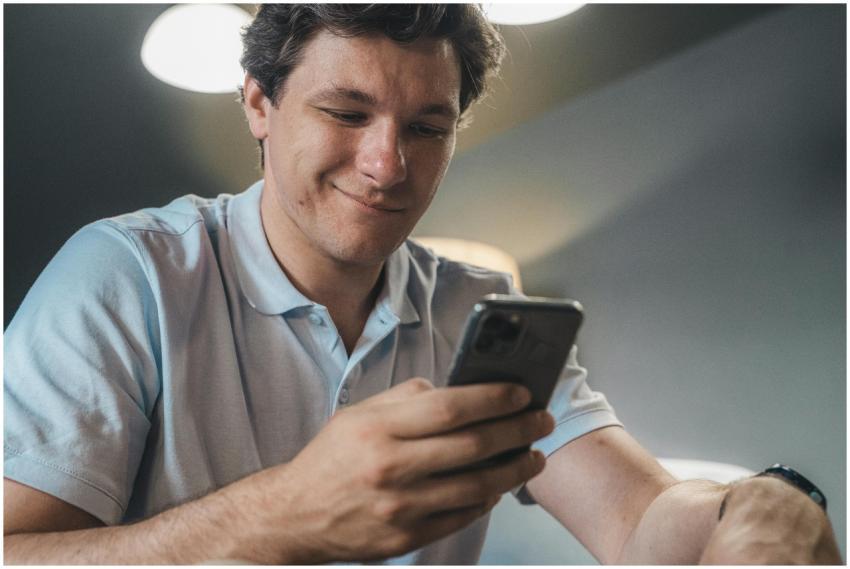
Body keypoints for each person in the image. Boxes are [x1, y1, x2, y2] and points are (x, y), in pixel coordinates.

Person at [4, 4, 841, 565]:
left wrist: (758, 502)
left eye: (427, 126)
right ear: (259, 103)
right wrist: (288, 508)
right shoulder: (126, 272)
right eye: (346, 112)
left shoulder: (475, 311)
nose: (387, 164)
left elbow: (643, 518)